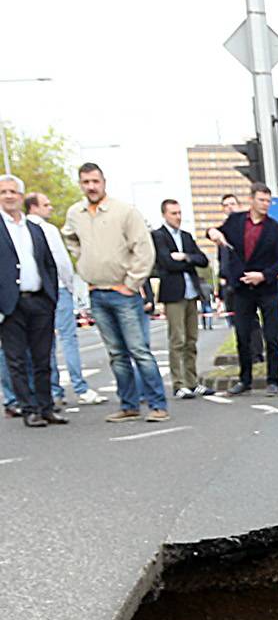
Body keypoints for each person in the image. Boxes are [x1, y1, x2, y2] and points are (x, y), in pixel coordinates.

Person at [63, 162, 167, 423]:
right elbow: (69, 237)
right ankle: (129, 404)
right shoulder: (76, 213)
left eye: (95, 181)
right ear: (80, 184)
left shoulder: (124, 211)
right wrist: (84, 262)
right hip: (97, 293)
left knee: (139, 350)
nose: (91, 187)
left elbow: (144, 249)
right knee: (116, 354)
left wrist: (131, 283)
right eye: (86, 182)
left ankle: (157, 404)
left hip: (123, 292)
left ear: (104, 182)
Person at [0, 173, 64, 427]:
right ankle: (29, 409)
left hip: (39, 301)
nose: (8, 196)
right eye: (3, 192)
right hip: (10, 305)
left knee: (43, 359)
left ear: (20, 196)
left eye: (12, 192)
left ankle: (46, 406)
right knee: (16, 360)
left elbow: (48, 264)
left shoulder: (35, 229)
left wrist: (52, 298)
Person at [26, 190, 101, 406]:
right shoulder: (48, 230)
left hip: (35, 292)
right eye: (46, 204)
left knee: (43, 343)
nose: (50, 208)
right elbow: (61, 262)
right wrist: (71, 287)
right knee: (69, 339)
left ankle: (53, 390)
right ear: (34, 207)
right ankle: (79, 387)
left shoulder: (20, 230)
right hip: (57, 288)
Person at [217, 183, 278, 396]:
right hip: (241, 287)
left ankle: (273, 380)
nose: (266, 204)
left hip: (266, 288)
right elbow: (218, 232)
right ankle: (245, 379)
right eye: (261, 200)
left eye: (268, 201)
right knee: (242, 335)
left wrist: (263, 275)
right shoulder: (236, 221)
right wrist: (212, 231)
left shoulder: (275, 229)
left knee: (271, 335)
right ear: (252, 200)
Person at [150, 197, 210, 398]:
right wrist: (187, 261)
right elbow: (166, 263)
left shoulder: (186, 236)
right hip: (173, 293)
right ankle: (179, 383)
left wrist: (185, 257)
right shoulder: (158, 236)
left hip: (191, 292)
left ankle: (192, 381)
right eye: (173, 213)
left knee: (192, 339)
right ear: (164, 215)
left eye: (179, 213)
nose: (178, 217)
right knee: (177, 339)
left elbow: (203, 260)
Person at [208, 190, 260, 368]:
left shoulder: (246, 227)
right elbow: (222, 259)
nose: (230, 208)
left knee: (251, 320)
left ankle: (257, 354)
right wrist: (221, 281)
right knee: (237, 322)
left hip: (246, 281)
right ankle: (246, 357)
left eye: (232, 204)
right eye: (226, 205)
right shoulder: (223, 231)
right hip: (229, 284)